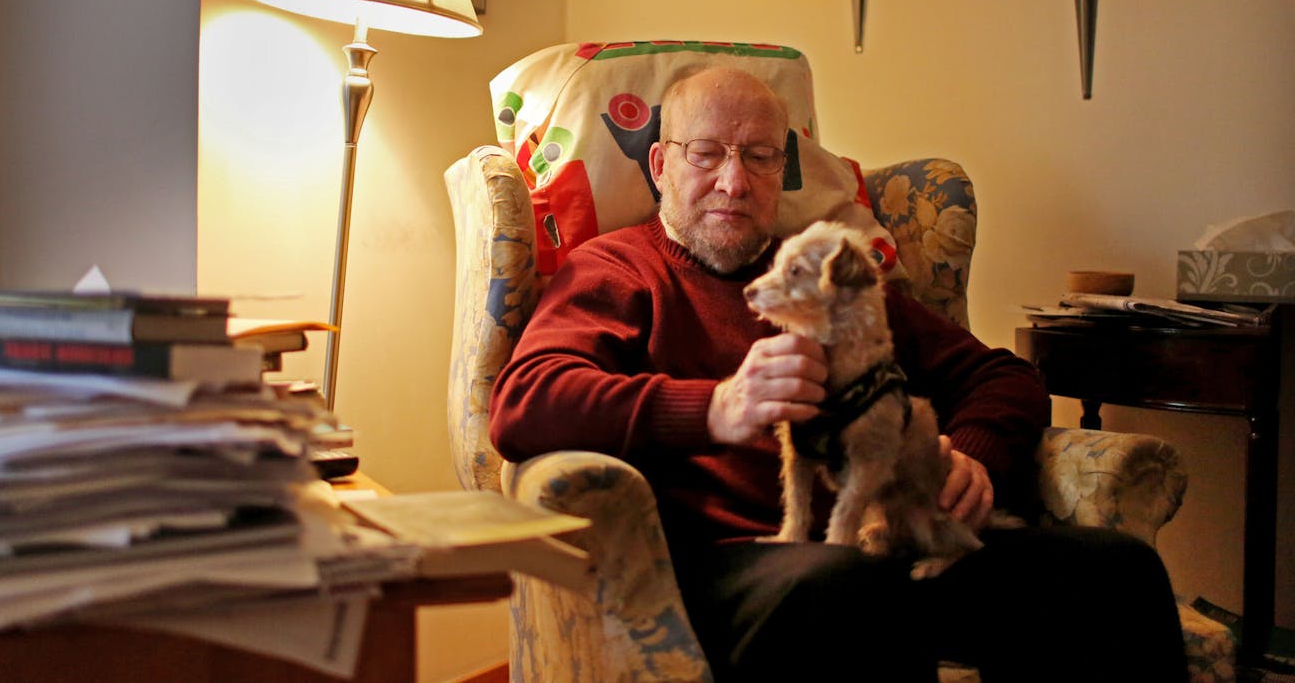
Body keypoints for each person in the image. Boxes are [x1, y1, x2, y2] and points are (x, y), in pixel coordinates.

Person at [489, 66, 1188, 682]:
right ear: (661, 167)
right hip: (731, 564)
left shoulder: (828, 270)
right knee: (846, 587)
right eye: (706, 154)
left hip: (885, 545)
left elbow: (1002, 377)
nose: (733, 182)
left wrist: (973, 456)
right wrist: (714, 408)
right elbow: (525, 404)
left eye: (758, 157)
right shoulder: (617, 270)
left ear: (781, 171)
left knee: (1111, 571)